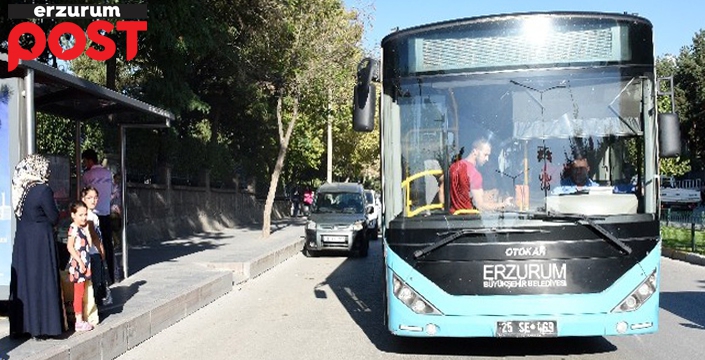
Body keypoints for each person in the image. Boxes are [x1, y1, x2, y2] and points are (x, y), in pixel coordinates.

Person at [8, 154, 65, 339]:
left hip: (24, 241)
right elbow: (53, 217)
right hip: (41, 241)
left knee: (26, 282)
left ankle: (24, 326)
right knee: (42, 281)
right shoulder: (43, 190)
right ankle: (44, 327)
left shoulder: (22, 189)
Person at [449, 137, 513, 213]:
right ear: (474, 151)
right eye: (485, 155)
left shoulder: (453, 167)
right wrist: (503, 204)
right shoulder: (474, 175)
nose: (487, 159)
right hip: (470, 219)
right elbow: (480, 205)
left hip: (452, 218)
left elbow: (442, 193)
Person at [81, 149, 115, 284]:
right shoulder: (108, 173)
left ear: (90, 160)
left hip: (93, 215)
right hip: (106, 213)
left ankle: (99, 277)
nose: (84, 163)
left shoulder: (88, 175)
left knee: (94, 247)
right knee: (108, 244)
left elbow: (83, 191)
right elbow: (111, 191)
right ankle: (112, 275)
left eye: (85, 161)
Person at [66, 200, 95, 332]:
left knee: (82, 291)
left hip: (84, 263)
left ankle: (81, 317)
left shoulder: (83, 228)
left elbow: (89, 244)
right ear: (73, 215)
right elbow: (70, 246)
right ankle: (78, 320)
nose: (84, 218)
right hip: (79, 265)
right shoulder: (73, 228)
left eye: (85, 215)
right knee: (78, 293)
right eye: (81, 215)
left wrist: (88, 231)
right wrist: (80, 262)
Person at [81, 186, 111, 306]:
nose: (93, 200)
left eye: (95, 197)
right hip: (93, 253)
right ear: (83, 199)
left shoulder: (93, 215)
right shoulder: (89, 217)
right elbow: (94, 236)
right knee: (95, 281)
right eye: (89, 198)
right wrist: (102, 250)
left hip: (91, 253)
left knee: (94, 281)